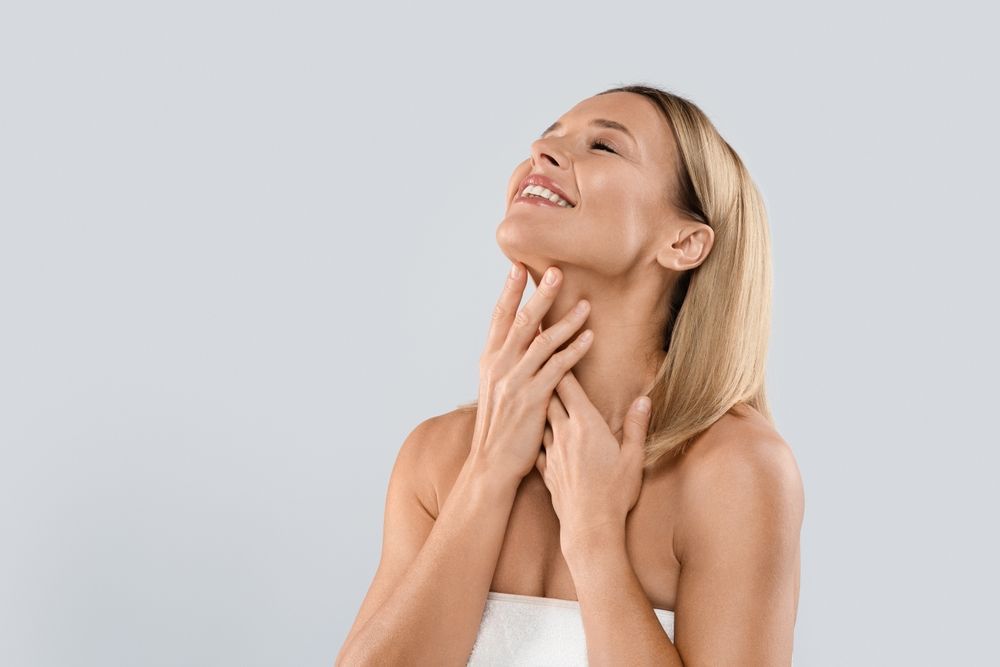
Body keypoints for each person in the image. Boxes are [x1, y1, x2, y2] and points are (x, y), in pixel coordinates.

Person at [335, 84, 804, 665]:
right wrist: (485, 475)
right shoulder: (437, 458)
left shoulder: (734, 471)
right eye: (548, 135)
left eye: (604, 146)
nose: (540, 149)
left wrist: (595, 540)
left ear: (684, 242)